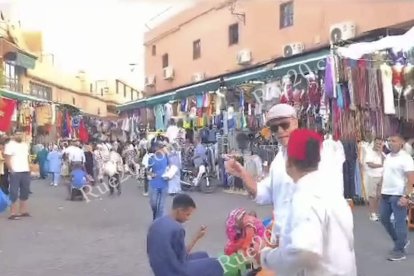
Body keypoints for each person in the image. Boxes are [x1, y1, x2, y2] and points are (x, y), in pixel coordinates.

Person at [225, 103, 344, 244]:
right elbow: (263, 193)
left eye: (285, 125)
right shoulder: (278, 161)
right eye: (274, 128)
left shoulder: (320, 153)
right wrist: (242, 173)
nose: (280, 131)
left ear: (295, 122)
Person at [256, 129, 357, 276]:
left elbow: (303, 251)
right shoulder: (331, 191)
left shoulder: (305, 196)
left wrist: (266, 257)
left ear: (289, 162)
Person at [147, 194, 223, 276]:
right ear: (179, 211)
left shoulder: (156, 223)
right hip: (174, 271)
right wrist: (195, 238)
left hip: (159, 269)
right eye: (187, 214)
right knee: (216, 264)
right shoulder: (177, 229)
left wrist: (197, 237)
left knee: (203, 254)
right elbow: (183, 256)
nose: (188, 218)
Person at [379, 134, 414, 261]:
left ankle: (400, 251)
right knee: (383, 218)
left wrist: (407, 196)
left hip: (398, 195)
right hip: (385, 194)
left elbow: (411, 179)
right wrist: (380, 189)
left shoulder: (406, 158)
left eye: (394, 141)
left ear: (401, 143)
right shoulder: (387, 157)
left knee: (399, 223)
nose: (390, 143)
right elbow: (385, 175)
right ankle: (400, 241)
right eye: (389, 140)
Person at [4, 132, 31, 220]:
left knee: (25, 191)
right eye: (17, 134)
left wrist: (29, 168)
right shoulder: (9, 145)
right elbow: (7, 158)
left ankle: (23, 211)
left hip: (25, 171)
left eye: (21, 134)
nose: (19, 136)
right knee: (13, 192)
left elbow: (27, 158)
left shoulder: (25, 145)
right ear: (14, 135)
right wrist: (11, 169)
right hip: (15, 171)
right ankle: (13, 213)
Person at [365, 137, 385, 221]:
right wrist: (381, 165)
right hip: (372, 176)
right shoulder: (369, 152)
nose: (378, 145)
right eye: (377, 143)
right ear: (374, 143)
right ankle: (372, 214)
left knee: (379, 196)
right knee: (372, 196)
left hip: (381, 176)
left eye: (380, 144)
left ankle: (376, 212)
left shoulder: (382, 153)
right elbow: (370, 164)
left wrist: (381, 153)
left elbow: (385, 161)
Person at [148, 141, 169, 220]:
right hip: (154, 184)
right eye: (160, 148)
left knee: (161, 205)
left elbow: (171, 167)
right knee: (153, 204)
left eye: (163, 148)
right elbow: (147, 170)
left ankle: (157, 221)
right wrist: (150, 174)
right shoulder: (152, 158)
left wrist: (170, 174)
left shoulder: (166, 157)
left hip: (164, 183)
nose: (162, 149)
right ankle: (155, 215)